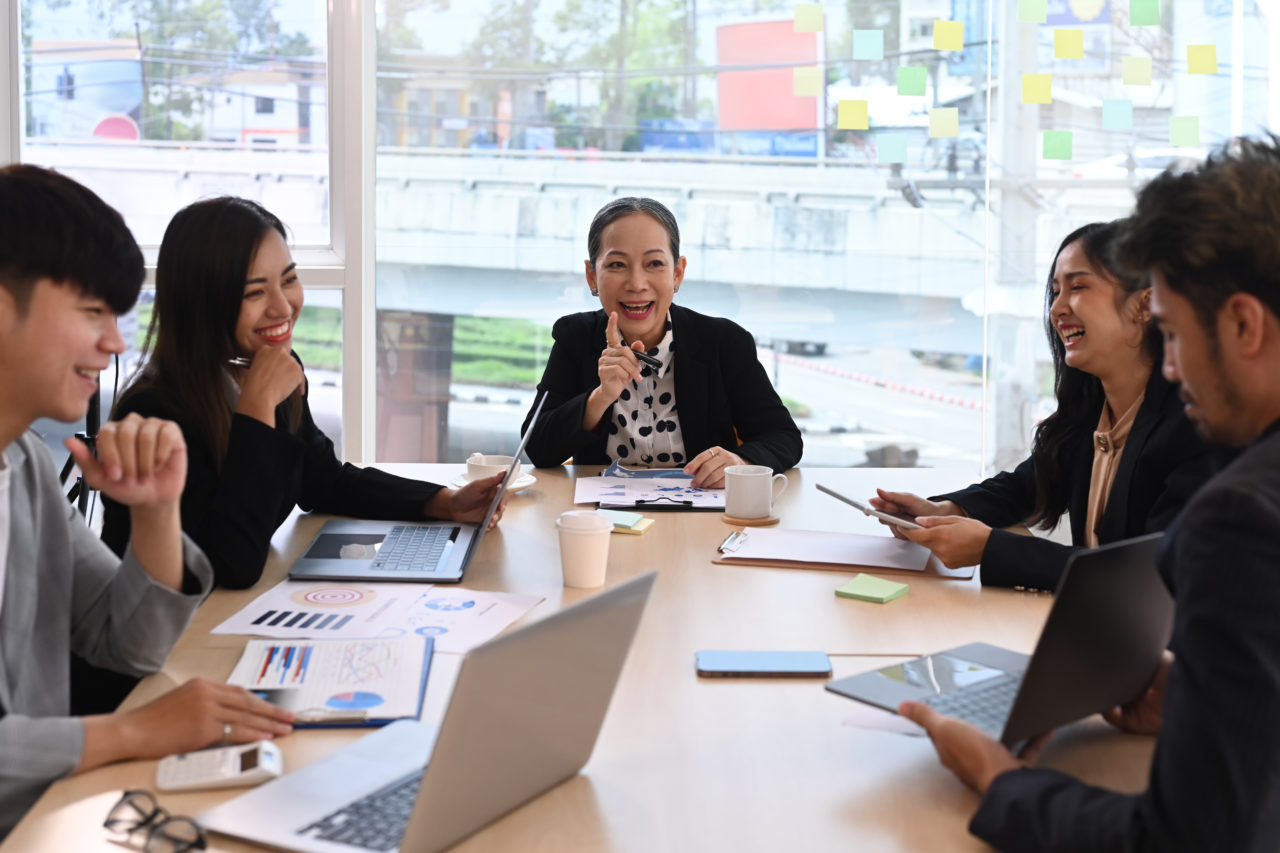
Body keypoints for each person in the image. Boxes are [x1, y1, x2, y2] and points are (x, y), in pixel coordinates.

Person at [901, 135, 1280, 849]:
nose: (1172, 365)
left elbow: (1182, 838)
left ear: (1242, 324)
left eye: (1172, 332)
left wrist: (1002, 781)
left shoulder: (1240, 518)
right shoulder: (1097, 419)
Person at [0, 165, 293, 837]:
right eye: (91, 312)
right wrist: (133, 729)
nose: (115, 342)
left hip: (43, 819)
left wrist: (158, 512)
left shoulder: (24, 469)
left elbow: (123, 644)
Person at [101, 197, 507, 591]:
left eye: (289, 279)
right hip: (169, 642)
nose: (284, 307)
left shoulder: (265, 366)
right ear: (202, 303)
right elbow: (231, 563)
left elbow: (323, 480)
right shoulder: (154, 413)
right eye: (254, 292)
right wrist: (257, 409)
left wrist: (445, 502)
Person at [872, 221, 1221, 590]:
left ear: (1145, 304)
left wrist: (992, 549)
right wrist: (944, 511)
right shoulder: (1092, 411)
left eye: (1078, 287)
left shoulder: (1194, 428)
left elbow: (1150, 574)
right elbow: (1027, 485)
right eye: (1055, 292)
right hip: (1095, 625)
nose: (1057, 309)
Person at [521, 197, 802, 487]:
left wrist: (741, 463)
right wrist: (601, 396)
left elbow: (783, 437)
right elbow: (538, 449)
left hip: (701, 518)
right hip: (601, 521)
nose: (637, 283)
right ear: (592, 275)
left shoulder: (724, 342)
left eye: (654, 263)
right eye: (617, 264)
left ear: (677, 273)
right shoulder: (575, 337)